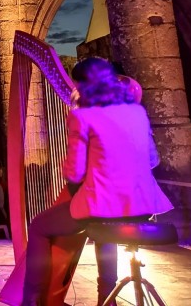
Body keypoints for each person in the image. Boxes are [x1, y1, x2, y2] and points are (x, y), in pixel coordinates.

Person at [21, 57, 173, 306]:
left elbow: (74, 173)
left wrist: (70, 162)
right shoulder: (137, 112)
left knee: (39, 226)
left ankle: (31, 301)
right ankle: (106, 297)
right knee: (106, 221)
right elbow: (153, 160)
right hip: (144, 207)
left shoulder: (82, 117)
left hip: (104, 206)